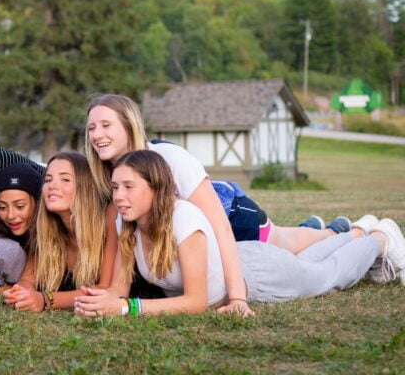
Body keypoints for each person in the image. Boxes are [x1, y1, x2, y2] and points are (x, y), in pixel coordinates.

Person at [84, 93, 342, 314]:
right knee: (288, 246)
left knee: (286, 245)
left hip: (232, 215)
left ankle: (333, 232)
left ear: (129, 126)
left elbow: (220, 228)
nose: (97, 134)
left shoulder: (170, 158)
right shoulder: (109, 174)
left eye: (106, 125)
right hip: (195, 239)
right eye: (92, 128)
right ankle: (316, 228)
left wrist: (238, 296)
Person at [74, 150, 405, 318]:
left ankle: (379, 239)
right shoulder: (126, 224)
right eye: (116, 187)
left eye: (129, 187)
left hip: (257, 275)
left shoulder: (183, 219)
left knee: (325, 276)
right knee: (309, 262)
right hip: (250, 260)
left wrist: (128, 309)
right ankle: (356, 231)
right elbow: (118, 289)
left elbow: (194, 302)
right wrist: (99, 303)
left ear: (155, 187)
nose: (118, 196)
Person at [3, 152, 118, 312]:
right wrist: (20, 293)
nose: (52, 185)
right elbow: (28, 278)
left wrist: (45, 300)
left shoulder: (108, 224)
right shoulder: (47, 229)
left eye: (65, 179)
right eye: (48, 179)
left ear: (85, 187)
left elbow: (104, 288)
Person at [0, 163, 43, 251]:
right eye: (2, 207)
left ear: (37, 204)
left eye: (19, 206)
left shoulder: (56, 240)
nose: (10, 216)